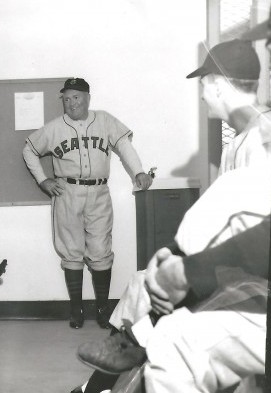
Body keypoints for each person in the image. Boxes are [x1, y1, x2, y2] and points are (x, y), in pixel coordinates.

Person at [74, 39, 270, 393]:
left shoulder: (263, 140)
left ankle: (113, 368)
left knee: (157, 303)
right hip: (230, 265)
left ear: (218, 84)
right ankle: (101, 381)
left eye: (203, 85)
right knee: (141, 282)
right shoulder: (237, 143)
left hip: (251, 275)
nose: (201, 94)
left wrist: (185, 264)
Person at [23, 78, 153, 329]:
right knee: (71, 252)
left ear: (87, 98)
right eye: (66, 99)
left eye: (76, 97)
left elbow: (124, 144)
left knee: (101, 250)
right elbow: (29, 149)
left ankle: (103, 309)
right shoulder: (53, 128)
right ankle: (76, 309)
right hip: (67, 191)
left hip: (99, 192)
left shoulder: (103, 120)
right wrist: (43, 181)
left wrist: (138, 171)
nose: (71, 103)